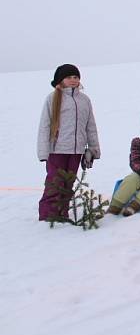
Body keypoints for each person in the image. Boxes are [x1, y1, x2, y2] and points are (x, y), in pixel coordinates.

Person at [36, 64, 101, 222]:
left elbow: (90, 126)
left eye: (76, 77)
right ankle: (48, 216)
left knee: (68, 183)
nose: (73, 80)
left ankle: (62, 213)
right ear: (60, 80)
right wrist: (43, 152)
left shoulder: (84, 100)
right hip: (57, 150)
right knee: (54, 182)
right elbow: (44, 126)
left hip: (76, 150)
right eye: (69, 77)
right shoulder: (52, 99)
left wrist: (93, 149)